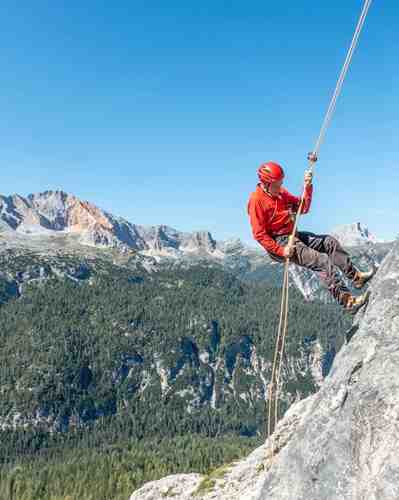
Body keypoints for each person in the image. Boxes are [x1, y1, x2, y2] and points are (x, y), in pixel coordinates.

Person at [247, 157, 375, 313]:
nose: (281, 185)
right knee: (321, 261)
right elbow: (259, 234)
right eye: (277, 183)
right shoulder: (256, 201)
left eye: (281, 182)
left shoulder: (280, 193)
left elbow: (303, 207)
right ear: (267, 184)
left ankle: (356, 278)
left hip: (293, 235)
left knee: (329, 242)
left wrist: (307, 187)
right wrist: (282, 251)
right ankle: (348, 302)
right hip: (280, 242)